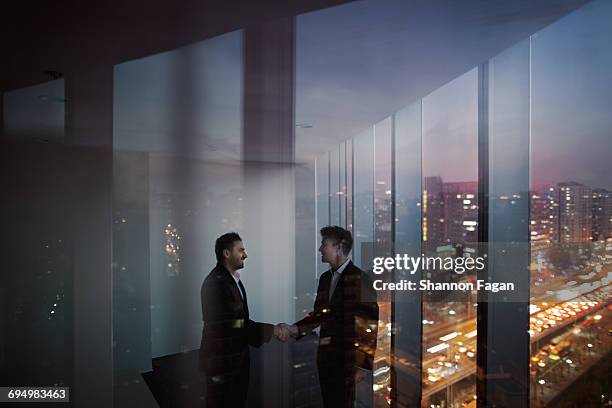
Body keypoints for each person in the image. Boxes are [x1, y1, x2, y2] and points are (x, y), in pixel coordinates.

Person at [280, 226, 379, 408]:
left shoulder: (360, 279)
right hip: (326, 359)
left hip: (347, 363)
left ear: (339, 247)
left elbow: (369, 324)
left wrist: (361, 366)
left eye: (323, 244)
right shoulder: (326, 278)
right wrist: (294, 329)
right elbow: (319, 315)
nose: (320, 249)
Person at [199, 232, 286, 407]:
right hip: (223, 366)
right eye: (241, 250)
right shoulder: (217, 284)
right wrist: (274, 331)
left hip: (232, 363)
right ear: (226, 253)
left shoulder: (232, 281)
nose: (245, 255)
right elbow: (233, 325)